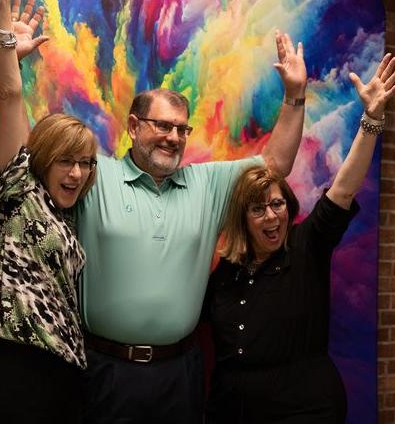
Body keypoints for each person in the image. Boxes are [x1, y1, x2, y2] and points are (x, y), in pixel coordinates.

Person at [76, 34, 308, 422]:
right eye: (163, 126)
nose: (174, 138)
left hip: (180, 373)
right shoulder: (94, 176)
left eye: (182, 130)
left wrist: (295, 96)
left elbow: (275, 164)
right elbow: (22, 166)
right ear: (133, 126)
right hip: (106, 370)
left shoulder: (205, 185)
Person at [204, 53, 395, 423]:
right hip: (233, 411)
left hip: (305, 409)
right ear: (243, 219)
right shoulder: (224, 273)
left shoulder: (306, 245)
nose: (271, 215)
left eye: (277, 204)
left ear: (288, 206)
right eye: (258, 209)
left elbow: (343, 189)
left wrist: (372, 119)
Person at [0, 0, 95, 423]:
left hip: (64, 375)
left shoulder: (64, 213)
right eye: (65, 160)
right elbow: (8, 100)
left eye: (85, 163)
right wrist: (2, 15)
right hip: (18, 373)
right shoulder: (18, 188)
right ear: (41, 159)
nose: (77, 173)